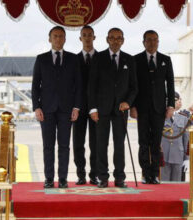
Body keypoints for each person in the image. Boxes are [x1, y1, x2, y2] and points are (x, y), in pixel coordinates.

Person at [32, 26, 82, 188]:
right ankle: (48, 178)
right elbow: (35, 86)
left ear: (65, 39)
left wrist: (77, 107)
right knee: (48, 146)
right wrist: (36, 107)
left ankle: (62, 179)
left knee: (65, 146)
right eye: (55, 36)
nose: (58, 39)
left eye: (61, 36)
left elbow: (78, 85)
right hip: (46, 110)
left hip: (67, 110)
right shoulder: (41, 59)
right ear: (50, 39)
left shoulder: (73, 59)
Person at [88, 27, 138, 188]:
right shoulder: (98, 58)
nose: (115, 41)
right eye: (112, 38)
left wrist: (128, 102)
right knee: (101, 144)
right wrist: (93, 109)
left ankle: (120, 177)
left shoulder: (129, 60)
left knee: (119, 145)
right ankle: (102, 177)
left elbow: (134, 87)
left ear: (122, 40)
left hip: (120, 110)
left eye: (118, 38)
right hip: (101, 110)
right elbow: (92, 85)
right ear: (107, 39)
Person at [131, 30, 175, 184]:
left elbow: (170, 84)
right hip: (141, 108)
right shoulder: (135, 60)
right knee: (143, 142)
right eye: (149, 40)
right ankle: (145, 173)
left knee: (156, 142)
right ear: (144, 42)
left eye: (155, 40)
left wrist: (171, 105)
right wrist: (132, 106)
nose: (152, 42)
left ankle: (155, 174)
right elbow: (133, 85)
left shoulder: (165, 60)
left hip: (159, 108)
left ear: (158, 41)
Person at [73, 25, 98, 185]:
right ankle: (81, 174)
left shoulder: (102, 58)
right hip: (79, 107)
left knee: (96, 143)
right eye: (84, 35)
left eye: (90, 35)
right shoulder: (73, 59)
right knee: (78, 143)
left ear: (94, 38)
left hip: (96, 108)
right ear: (80, 38)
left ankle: (94, 174)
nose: (87, 38)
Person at [160, 92, 189, 182]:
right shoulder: (160, 116)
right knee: (164, 184)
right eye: (174, 101)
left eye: (177, 100)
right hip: (163, 155)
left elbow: (186, 139)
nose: (176, 102)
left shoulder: (183, 118)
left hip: (178, 155)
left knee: (177, 184)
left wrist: (187, 159)